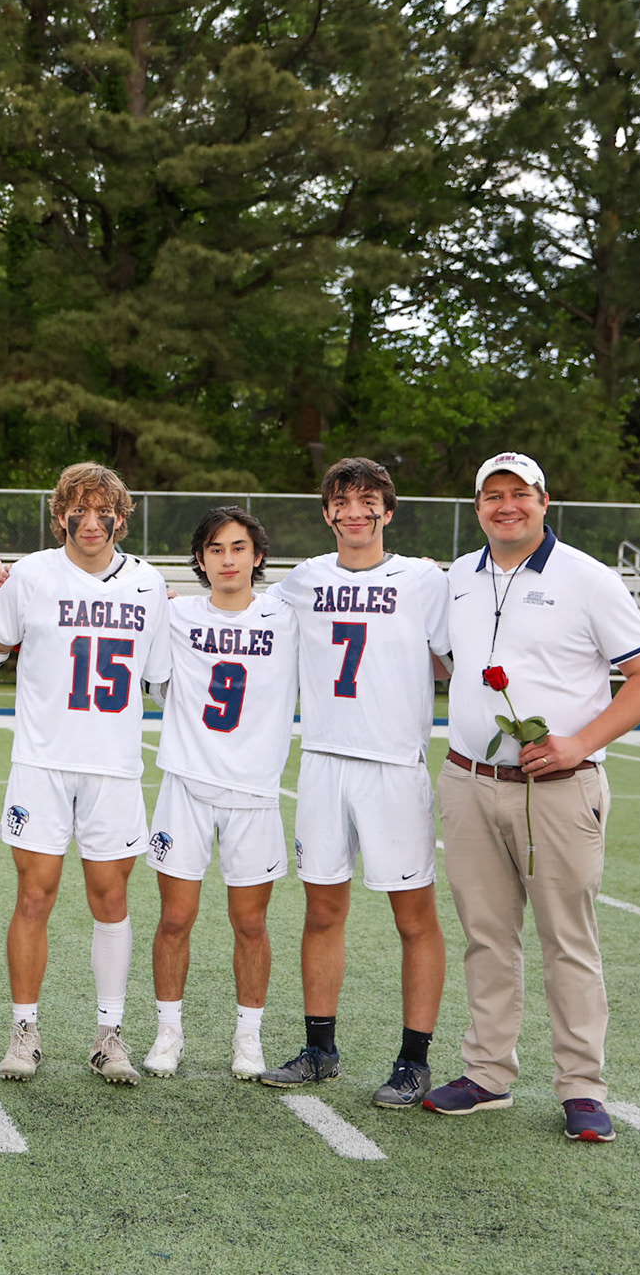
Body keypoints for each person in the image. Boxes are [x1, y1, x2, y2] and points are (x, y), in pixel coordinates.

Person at [426, 452, 640, 1141]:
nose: (506, 506)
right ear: (477, 506)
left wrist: (578, 743)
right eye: (492, 495)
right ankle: (487, 1073)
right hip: (470, 781)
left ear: (544, 500)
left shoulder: (588, 579)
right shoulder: (459, 577)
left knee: (568, 941)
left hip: (559, 790)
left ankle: (582, 1086)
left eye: (519, 494)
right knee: (486, 937)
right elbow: (445, 660)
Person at [260, 457, 450, 1109]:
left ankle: (414, 1059)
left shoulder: (424, 580)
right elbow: (234, 611)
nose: (355, 511)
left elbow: (467, 651)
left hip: (394, 765)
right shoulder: (304, 579)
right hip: (322, 761)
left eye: (368, 500)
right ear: (327, 512)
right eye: (342, 501)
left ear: (388, 512)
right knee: (321, 910)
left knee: (414, 916)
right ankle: (320, 1049)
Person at [0, 462, 171, 1083]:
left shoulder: (149, 585)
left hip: (114, 766)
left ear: (123, 516)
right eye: (79, 509)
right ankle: (25, 1027)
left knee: (111, 899)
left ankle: (109, 1032)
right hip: (42, 761)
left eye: (103, 511)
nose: (91, 523)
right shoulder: (32, 574)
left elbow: (165, 679)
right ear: (59, 512)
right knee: (34, 896)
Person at [140, 508, 298, 1081]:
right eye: (214, 549)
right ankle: (168, 1033)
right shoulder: (176, 614)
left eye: (238, 547)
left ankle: (248, 1039)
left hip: (254, 791)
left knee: (250, 924)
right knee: (175, 918)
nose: (227, 559)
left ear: (258, 556)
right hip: (186, 783)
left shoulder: (288, 614)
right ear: (200, 560)